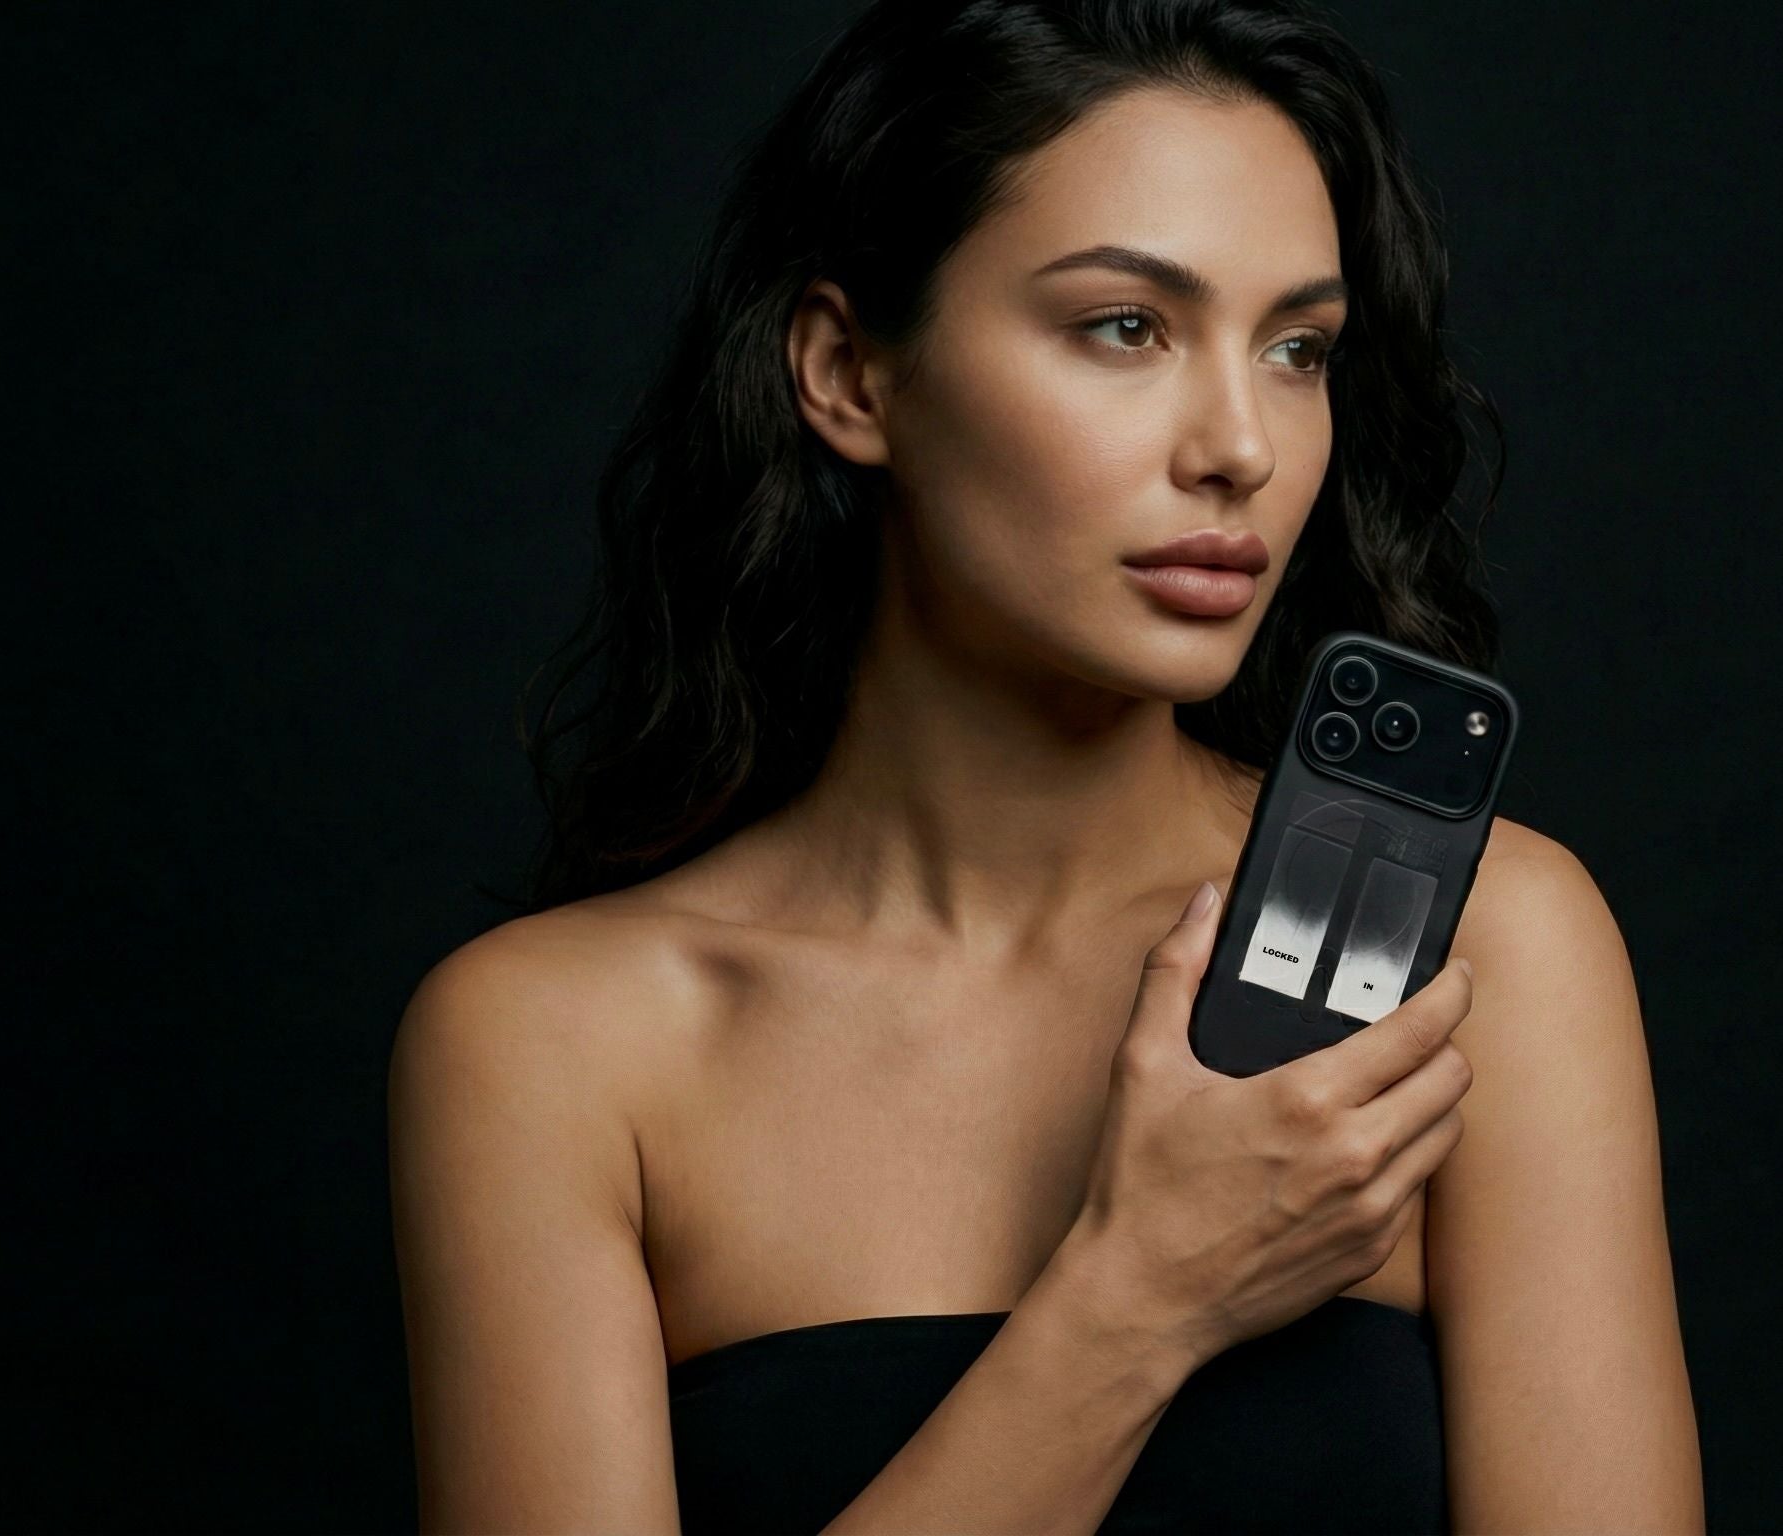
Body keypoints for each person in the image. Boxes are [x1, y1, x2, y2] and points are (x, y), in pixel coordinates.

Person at [388, 0, 1702, 1529]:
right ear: (849, 376)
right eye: (1125, 327)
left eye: (1298, 349)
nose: (1243, 447)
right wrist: (1141, 1293)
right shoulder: (558, 1048)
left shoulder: (1481, 953)